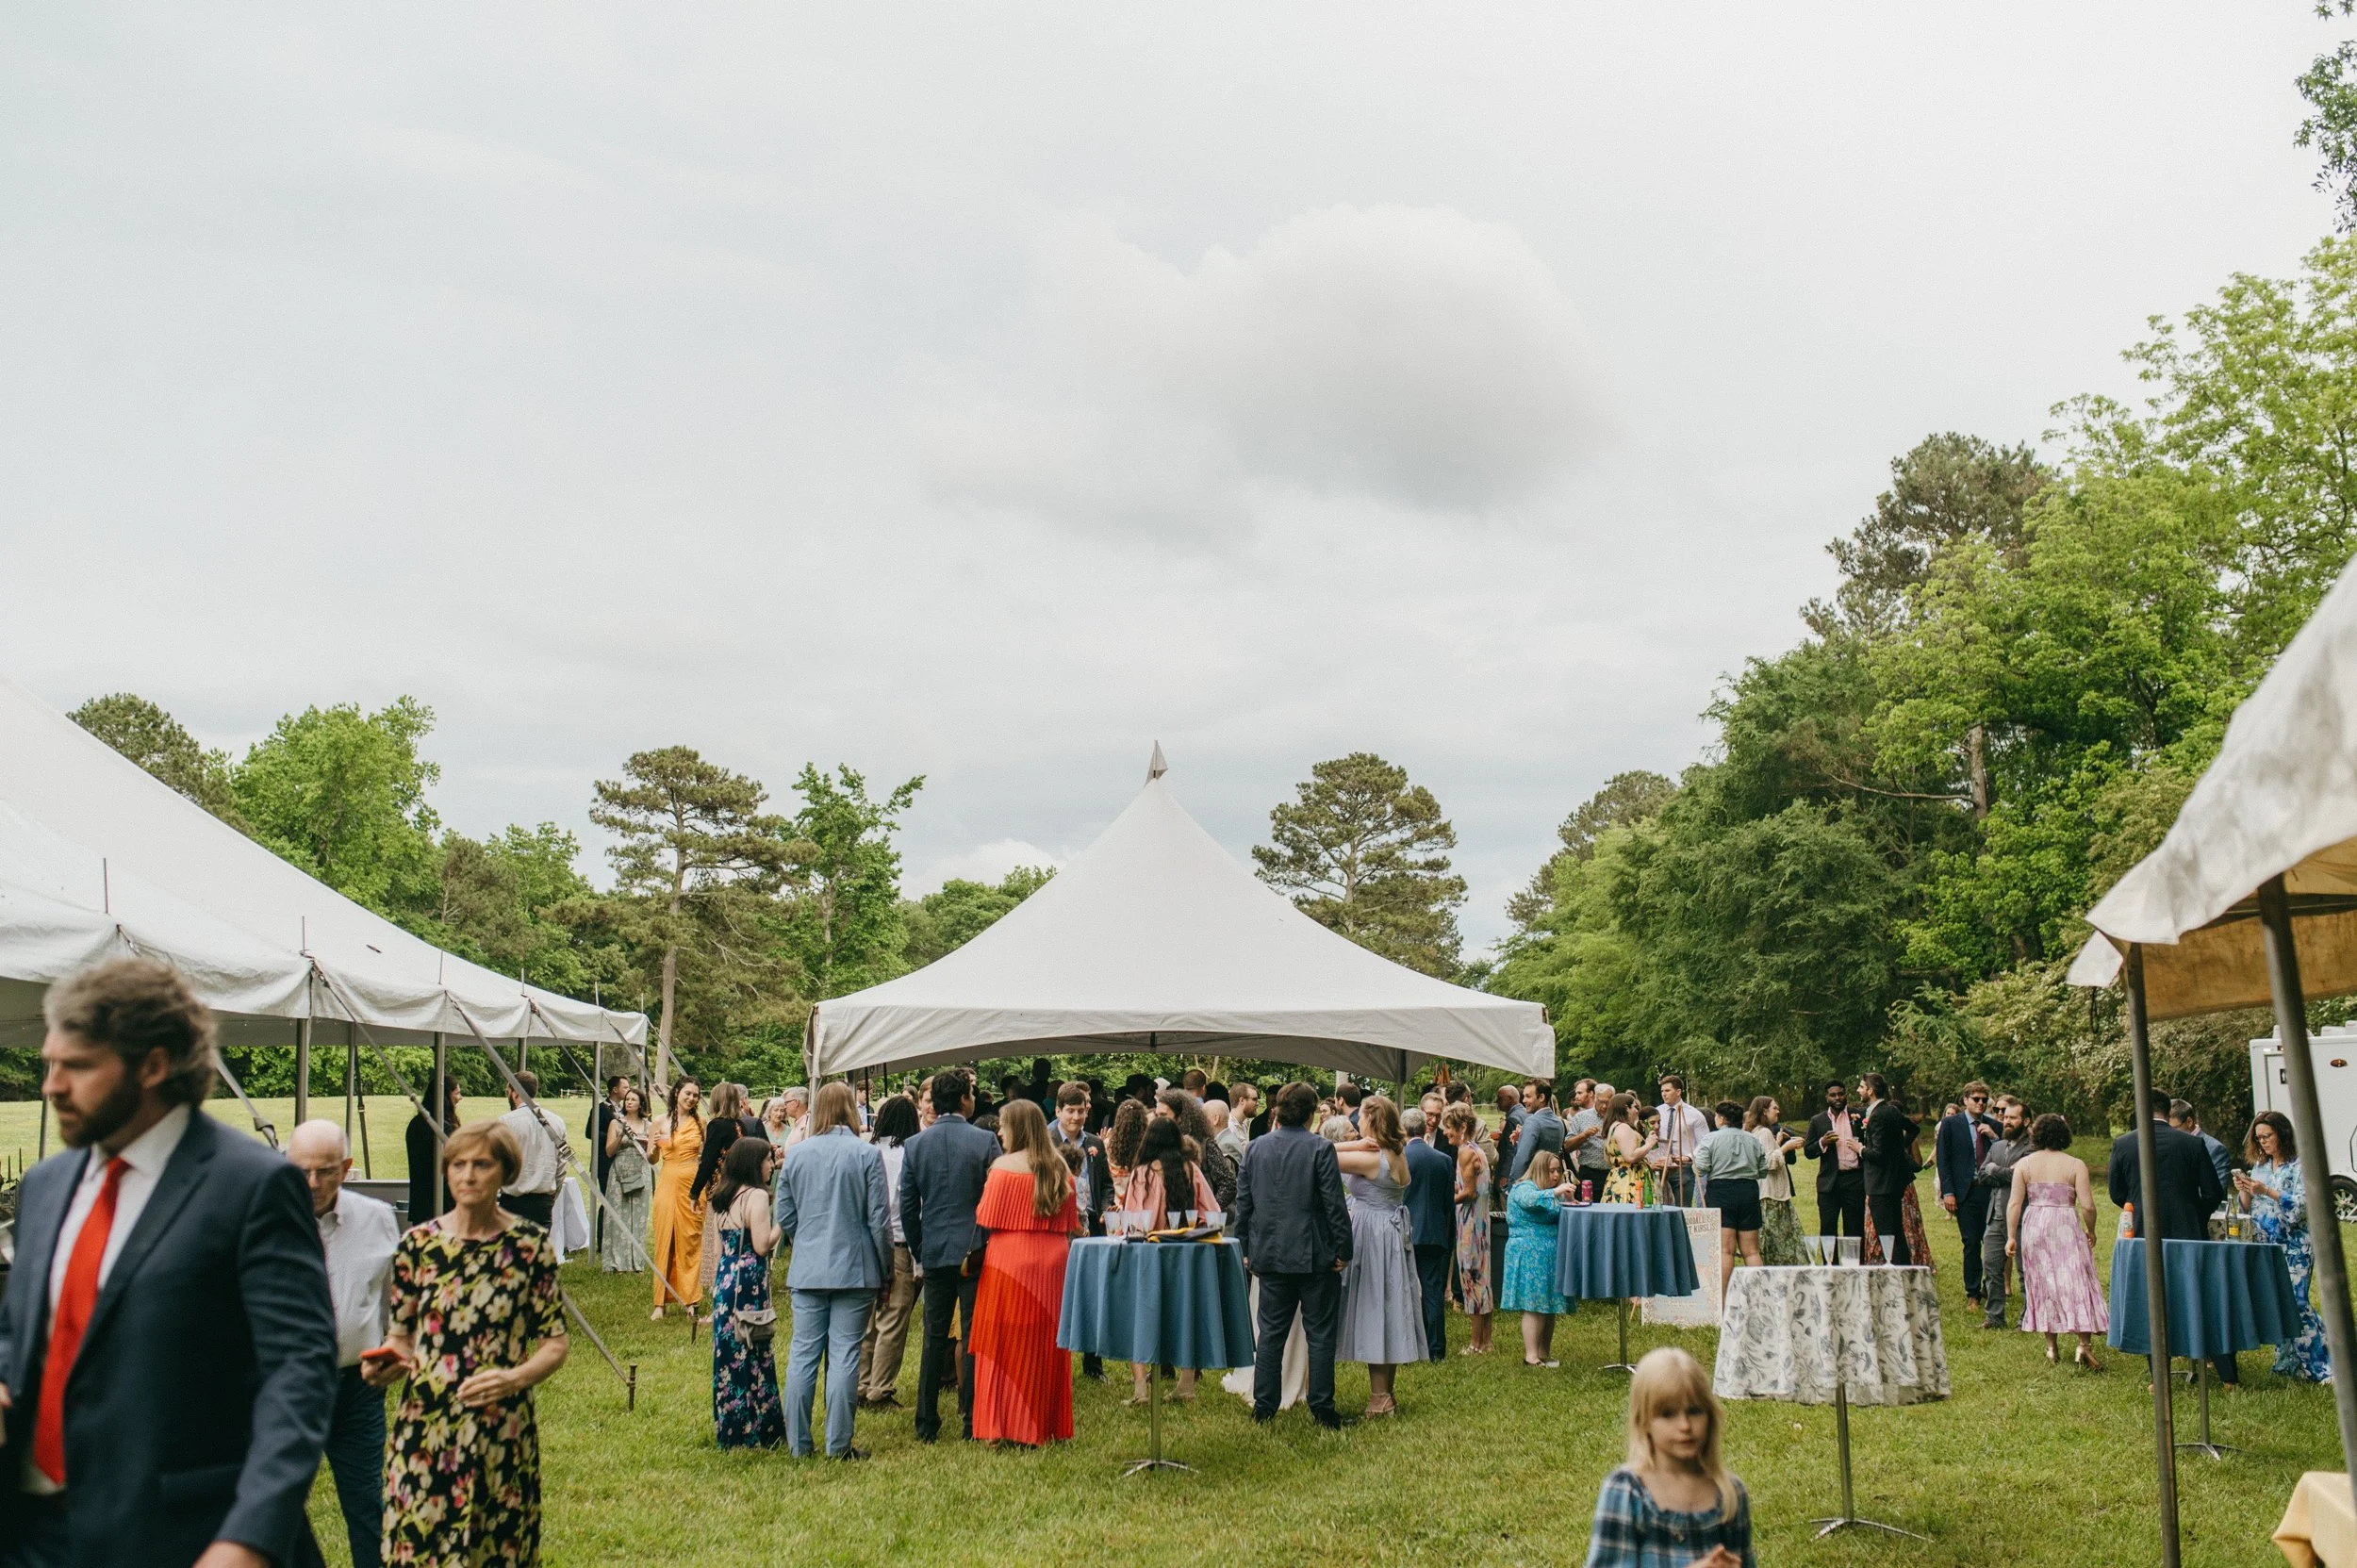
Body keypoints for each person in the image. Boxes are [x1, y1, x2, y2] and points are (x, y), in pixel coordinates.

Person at [0, 960, 337, 1568]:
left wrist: (249, 1539)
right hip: (30, 1537)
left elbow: (298, 1373)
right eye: (51, 1063)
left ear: (153, 1066)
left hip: (181, 1540)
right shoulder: (44, 1186)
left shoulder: (252, 1186)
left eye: (76, 1066)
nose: (51, 1086)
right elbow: (24, 1334)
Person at [365, 1120, 566, 1564]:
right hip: (427, 1429)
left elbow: (555, 1343)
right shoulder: (416, 1246)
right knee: (419, 1553)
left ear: (504, 1172)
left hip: (502, 1428)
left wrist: (513, 1379)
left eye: (481, 1164)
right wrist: (387, 1364)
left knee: (496, 1550)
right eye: (458, 1165)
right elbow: (401, 1339)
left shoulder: (530, 1248)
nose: (468, 1176)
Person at [288, 1120, 401, 1568]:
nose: (313, 1183)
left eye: (326, 1171)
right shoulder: (266, 1216)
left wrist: (394, 1344)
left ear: (348, 1168)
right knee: (279, 1505)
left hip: (357, 1386)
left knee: (366, 1503)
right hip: (287, 1386)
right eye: (302, 1171)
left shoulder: (375, 1219)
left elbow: (397, 1298)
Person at [772, 1082, 889, 1459]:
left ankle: (798, 1445)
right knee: (844, 1356)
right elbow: (879, 1221)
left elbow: (786, 1214)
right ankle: (838, 1445)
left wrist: (806, 1238)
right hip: (854, 1268)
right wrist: (885, 1270)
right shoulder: (865, 1154)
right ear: (851, 1111)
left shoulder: (798, 1154)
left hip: (808, 1266)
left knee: (803, 1354)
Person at [1231, 1081, 1355, 1429]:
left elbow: (1245, 1204)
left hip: (1269, 1252)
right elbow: (1334, 1205)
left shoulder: (1255, 1148)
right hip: (1315, 1254)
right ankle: (1322, 1408)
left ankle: (1264, 1405)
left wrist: (1245, 1247)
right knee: (1319, 1334)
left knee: (1270, 1333)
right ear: (1311, 1112)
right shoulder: (1320, 1148)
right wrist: (1344, 1249)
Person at [970, 1099, 1080, 1446]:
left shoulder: (1003, 1168)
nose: (999, 1131)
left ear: (1017, 1127)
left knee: (1001, 1344)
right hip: (1051, 1259)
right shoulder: (1060, 1167)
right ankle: (1044, 1425)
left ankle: (1003, 1425)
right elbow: (1071, 1222)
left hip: (1009, 1258)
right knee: (1047, 1344)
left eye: (1004, 1125)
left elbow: (985, 1217)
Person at [1583, 1346, 1754, 1568]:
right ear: (1644, 1421)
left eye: (1695, 1411)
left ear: (1710, 1415)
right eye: (1668, 1414)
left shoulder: (1730, 1494)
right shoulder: (1626, 1491)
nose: (1685, 1426)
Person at [2107, 1088, 2233, 1383]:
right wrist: (2194, 1214)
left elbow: (2115, 1192)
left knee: (2152, 1300)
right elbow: (2214, 1191)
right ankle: (2227, 1375)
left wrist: (2138, 1207)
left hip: (2143, 1234)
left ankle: (2159, 1377)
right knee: (2201, 1298)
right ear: (2167, 1110)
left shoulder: (2124, 1143)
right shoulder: (2191, 1144)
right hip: (2188, 1232)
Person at [901, 1069, 999, 1443]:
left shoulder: (916, 1145)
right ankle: (972, 1420)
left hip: (935, 1248)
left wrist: (920, 1248)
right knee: (973, 1337)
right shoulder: (985, 1140)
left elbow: (909, 1206)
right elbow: (994, 1198)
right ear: (963, 1100)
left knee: (933, 1338)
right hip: (975, 1250)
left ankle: (926, 1422)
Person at [1332, 1098, 1427, 1414]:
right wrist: (1362, 1143)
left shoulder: (1373, 1159)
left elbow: (1322, 1154)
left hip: (1373, 1235)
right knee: (1389, 1306)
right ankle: (1386, 1392)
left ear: (1372, 1121)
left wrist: (1356, 1144)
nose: (1358, 1122)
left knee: (1375, 1308)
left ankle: (1379, 1397)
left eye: (1362, 1119)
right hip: (1390, 1235)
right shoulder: (1397, 1153)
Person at [1119, 1117, 1220, 1403]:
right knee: (1185, 1317)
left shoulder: (1142, 1174)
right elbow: (1211, 1213)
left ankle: (1141, 1389)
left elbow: (1132, 1221)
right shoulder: (1191, 1171)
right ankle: (1185, 1385)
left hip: (1148, 1255)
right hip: (1184, 1257)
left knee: (1140, 1318)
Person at [2234, 1110, 2331, 1381]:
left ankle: (2324, 1362)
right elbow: (2248, 1209)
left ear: (2282, 1135)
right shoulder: (2261, 1166)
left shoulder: (2300, 1166)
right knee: (2278, 1302)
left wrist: (2267, 1191)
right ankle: (2289, 1362)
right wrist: (2244, 1188)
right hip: (2267, 1243)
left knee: (2297, 1302)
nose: (2263, 1142)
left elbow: (2302, 1207)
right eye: (2259, 1138)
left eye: (2268, 1136)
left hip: (2296, 1244)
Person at [2006, 1113, 2107, 1369]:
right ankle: (2083, 1345)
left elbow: (2015, 1203)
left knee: (2043, 1282)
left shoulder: (2025, 1165)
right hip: (2064, 1223)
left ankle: (2051, 1348)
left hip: (2035, 1224)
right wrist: (2091, 1230)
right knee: (2076, 1280)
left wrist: (2010, 1236)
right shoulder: (2075, 1164)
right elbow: (2088, 1206)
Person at [709, 1138, 787, 1449]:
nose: (771, 1165)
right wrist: (784, 1223)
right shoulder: (756, 1196)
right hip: (748, 1280)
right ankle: (760, 1427)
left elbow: (718, 1251)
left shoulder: (723, 1196)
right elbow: (761, 1244)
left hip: (726, 1278)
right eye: (768, 1160)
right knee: (755, 1347)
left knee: (729, 1354)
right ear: (754, 1164)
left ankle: (731, 1428)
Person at [856, 1095, 923, 1410]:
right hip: (897, 1241)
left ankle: (860, 1382)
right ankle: (879, 1390)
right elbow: (910, 1204)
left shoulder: (866, 1152)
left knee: (867, 1319)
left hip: (864, 1243)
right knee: (893, 1318)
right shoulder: (907, 1154)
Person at [1047, 1081, 1112, 1381]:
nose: (1075, 1117)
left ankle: (1092, 1363)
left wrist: (1108, 1205)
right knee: (1055, 1292)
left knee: (1092, 1292)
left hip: (1091, 1225)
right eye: (1070, 1111)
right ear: (1058, 1111)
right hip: (1056, 1226)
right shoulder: (1045, 1140)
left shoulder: (1095, 1142)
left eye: (1080, 1111)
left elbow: (1107, 1183)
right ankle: (1053, 1358)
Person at [1501, 1149, 1573, 1367]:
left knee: (1549, 1305)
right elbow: (1531, 1201)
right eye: (1551, 1170)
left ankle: (1544, 1353)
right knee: (1534, 1304)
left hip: (1549, 1254)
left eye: (1558, 1170)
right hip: (1528, 1253)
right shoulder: (1524, 1188)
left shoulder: (1550, 1192)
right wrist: (1557, 1192)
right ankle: (1531, 1356)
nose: (1556, 1175)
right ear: (1539, 1169)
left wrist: (1568, 1199)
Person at [1935, 1081, 2000, 1302]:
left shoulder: (1994, 1126)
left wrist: (1993, 1136)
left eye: (1984, 1099)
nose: (1980, 1103)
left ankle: (1989, 1287)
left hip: (1991, 1191)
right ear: (1965, 1100)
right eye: (1976, 1099)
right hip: (1966, 1191)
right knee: (1971, 1242)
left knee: (1992, 1242)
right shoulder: (1951, 1124)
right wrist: (1948, 1192)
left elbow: (2005, 1156)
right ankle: (1972, 1293)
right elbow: (1943, 1160)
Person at [1694, 1101, 1767, 1296]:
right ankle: (1759, 1300)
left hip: (1721, 1191)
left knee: (1725, 1250)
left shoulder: (1711, 1139)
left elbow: (1700, 1168)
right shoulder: (1753, 1139)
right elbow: (1763, 1170)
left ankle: (1724, 1303)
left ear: (1721, 1118)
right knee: (1751, 1251)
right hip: (1748, 1191)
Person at [1973, 1097, 2034, 1329]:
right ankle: (1995, 1317)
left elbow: (2024, 1177)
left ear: (2025, 1121)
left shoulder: (2032, 1148)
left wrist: (1994, 1170)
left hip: (2021, 1217)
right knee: (1991, 1268)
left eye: (2012, 1118)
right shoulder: (1997, 1146)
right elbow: (1981, 1175)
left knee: (2024, 1271)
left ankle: (2026, 1319)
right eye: (2004, 1117)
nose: (2005, 1121)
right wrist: (2006, 1171)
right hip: (1995, 1216)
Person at [648, 1078, 705, 1319]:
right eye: (687, 1093)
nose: (691, 1098)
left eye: (695, 1095)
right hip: (668, 1181)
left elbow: (706, 1156)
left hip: (692, 1183)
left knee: (690, 1240)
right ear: (677, 1093)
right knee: (665, 1239)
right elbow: (651, 1159)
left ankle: (690, 1299)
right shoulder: (659, 1122)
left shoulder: (701, 1123)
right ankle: (660, 1303)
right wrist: (652, 1148)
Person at [1401, 1107, 1455, 1362]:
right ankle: (1436, 1349)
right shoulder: (1443, 1160)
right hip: (1434, 1232)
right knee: (1433, 1292)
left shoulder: (1399, 1158)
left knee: (1403, 1290)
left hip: (1405, 1233)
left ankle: (1408, 1346)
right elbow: (1447, 1203)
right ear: (1425, 1128)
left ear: (1403, 1130)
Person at [1442, 1104, 1495, 1354]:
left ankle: (1476, 1344)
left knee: (1471, 1281)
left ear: (1462, 1128)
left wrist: (1444, 1200)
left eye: (1448, 1128)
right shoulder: (1477, 1151)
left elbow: (1469, 1193)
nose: (1445, 1133)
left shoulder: (1465, 1151)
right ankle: (1487, 1341)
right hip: (1482, 1223)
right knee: (1483, 1281)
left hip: (1470, 1225)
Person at [493, 1069, 567, 1231]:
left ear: (514, 1093)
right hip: (542, 1202)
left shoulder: (506, 1122)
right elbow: (562, 1164)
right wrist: (552, 1194)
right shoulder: (557, 1122)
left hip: (513, 1200)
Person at [1857, 1075, 1917, 1265]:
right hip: (1894, 1183)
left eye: (1861, 1087)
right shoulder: (1891, 1110)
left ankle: (1897, 1276)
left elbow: (1878, 1154)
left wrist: (1859, 1149)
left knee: (1887, 1236)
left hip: (1880, 1185)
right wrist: (1899, 1151)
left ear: (1870, 1090)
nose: (1858, 1090)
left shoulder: (1878, 1115)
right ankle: (1905, 1274)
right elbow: (1914, 1129)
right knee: (1897, 1233)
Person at [1744, 1097, 1805, 1266]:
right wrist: (1787, 1147)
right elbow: (1768, 1163)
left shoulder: (1756, 1131)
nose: (1778, 1111)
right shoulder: (1763, 1132)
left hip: (1765, 1193)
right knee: (1780, 1243)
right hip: (1772, 1195)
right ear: (1764, 1111)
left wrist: (1777, 1142)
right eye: (1774, 1108)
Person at [601, 1083, 653, 1273]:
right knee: (617, 1216)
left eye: (633, 1099)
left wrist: (648, 1143)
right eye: (627, 1098)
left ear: (641, 1104)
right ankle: (616, 1262)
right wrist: (621, 1134)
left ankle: (635, 1261)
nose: (629, 1102)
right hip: (619, 1171)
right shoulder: (616, 1122)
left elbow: (653, 1155)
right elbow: (608, 1151)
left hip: (640, 1171)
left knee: (638, 1217)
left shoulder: (648, 1125)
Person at [1805, 1079, 1866, 1240]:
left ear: (1845, 1095)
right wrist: (1822, 1142)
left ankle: (1853, 1264)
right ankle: (1830, 1264)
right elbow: (1808, 1151)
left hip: (1855, 1180)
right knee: (1828, 1228)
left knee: (1855, 1229)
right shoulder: (1818, 1120)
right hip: (1829, 1182)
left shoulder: (1860, 1115)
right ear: (1827, 1098)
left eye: (1840, 1094)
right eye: (1833, 1095)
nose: (1837, 1098)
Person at [405, 1074, 463, 1229]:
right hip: (443, 1202)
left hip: (420, 1202)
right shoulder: (443, 1128)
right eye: (457, 1093)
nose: (460, 1098)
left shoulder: (415, 1124)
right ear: (445, 1097)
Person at [1650, 1076, 1710, 1206]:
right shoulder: (1656, 1112)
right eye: (1662, 1091)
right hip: (1660, 1166)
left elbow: (1704, 1143)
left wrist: (1688, 1157)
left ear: (1678, 1091)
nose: (1664, 1094)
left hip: (1682, 1168)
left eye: (1667, 1091)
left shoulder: (1695, 1115)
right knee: (1659, 1205)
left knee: (1682, 1207)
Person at [588, 1074, 629, 1256]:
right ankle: (602, 1241)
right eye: (625, 1087)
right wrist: (613, 1137)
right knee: (607, 1201)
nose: (628, 1091)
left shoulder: (626, 1110)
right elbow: (590, 1132)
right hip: (604, 1163)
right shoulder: (601, 1109)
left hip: (622, 1162)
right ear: (615, 1090)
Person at [1508, 1079, 1565, 1186]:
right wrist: (1522, 1137)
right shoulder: (1559, 1122)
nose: (1523, 1100)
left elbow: (1522, 1159)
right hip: (1552, 1183)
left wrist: (1512, 1186)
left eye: (1528, 1096)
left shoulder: (1533, 1121)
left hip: (1532, 1185)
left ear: (1542, 1097)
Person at [1602, 1092, 1655, 1206]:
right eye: (1635, 1107)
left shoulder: (1613, 1127)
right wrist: (1649, 1144)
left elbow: (1607, 1158)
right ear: (1626, 1108)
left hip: (1617, 1179)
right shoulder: (1623, 1127)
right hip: (1629, 1180)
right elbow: (1630, 1156)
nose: (1637, 1111)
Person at [2172, 1099, 2233, 1193]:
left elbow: (2215, 1192)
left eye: (2173, 1128)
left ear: (2189, 1122)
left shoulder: (2215, 1149)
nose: (2169, 1133)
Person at [1565, 1079, 1609, 1197]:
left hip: (1612, 1174)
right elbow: (1567, 1146)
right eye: (1601, 1102)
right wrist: (1584, 1135)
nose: (1605, 1106)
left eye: (1608, 1102)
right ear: (1595, 1098)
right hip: (1589, 1174)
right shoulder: (1581, 1118)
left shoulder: (1617, 1117)